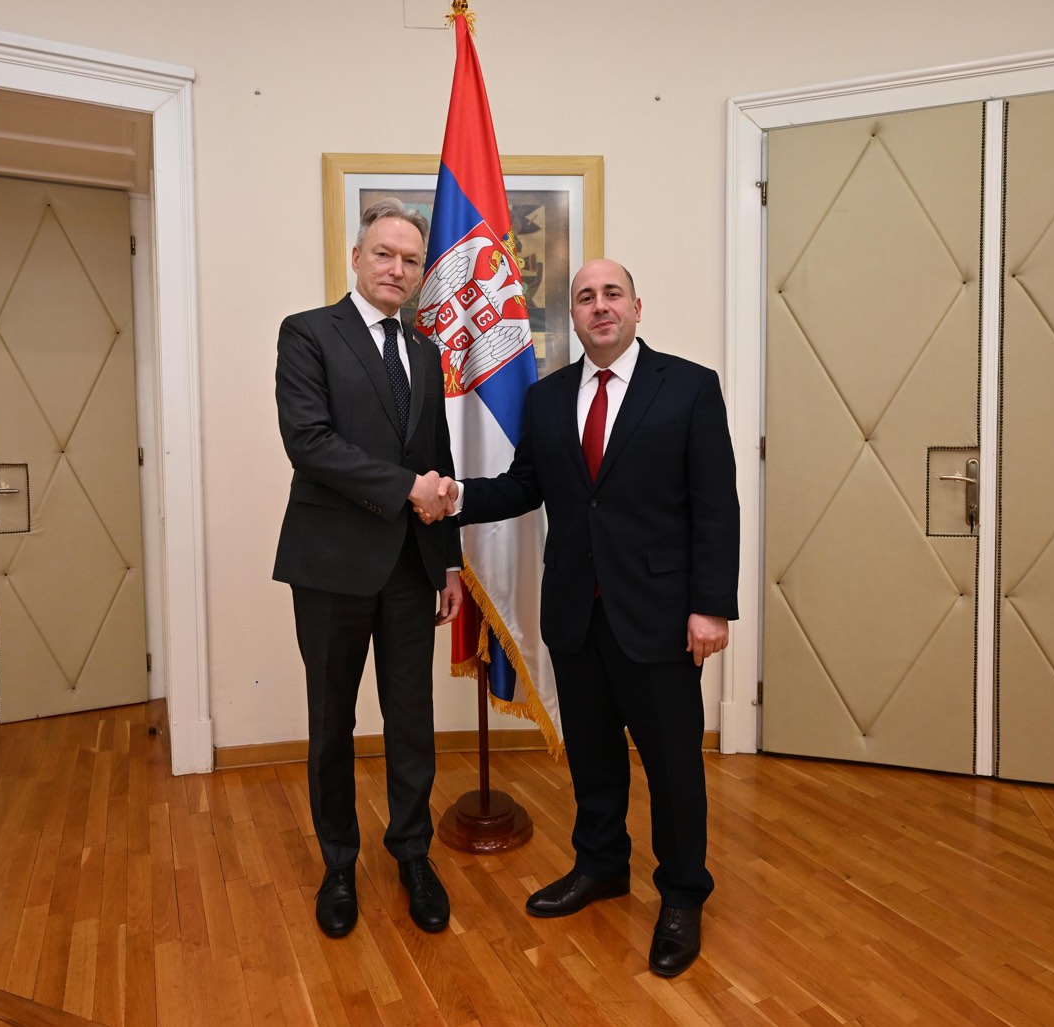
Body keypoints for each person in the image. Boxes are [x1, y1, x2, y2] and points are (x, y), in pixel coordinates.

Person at [444, 258, 739, 977]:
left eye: (612, 294)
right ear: (572, 316)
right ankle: (601, 865)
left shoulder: (690, 387)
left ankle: (682, 894)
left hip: (661, 616)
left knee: (673, 766)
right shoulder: (546, 399)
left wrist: (710, 606)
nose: (599, 306)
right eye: (585, 297)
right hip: (576, 612)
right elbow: (524, 485)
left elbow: (716, 504)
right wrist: (454, 497)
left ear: (637, 306)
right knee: (594, 757)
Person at [273, 198, 463, 939]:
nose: (397, 268)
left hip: (413, 567)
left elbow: (437, 457)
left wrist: (449, 563)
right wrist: (407, 488)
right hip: (331, 566)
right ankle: (339, 864)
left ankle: (412, 853)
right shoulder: (308, 333)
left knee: (412, 719)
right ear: (357, 258)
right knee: (333, 720)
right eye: (384, 253)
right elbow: (309, 441)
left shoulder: (426, 352)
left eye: (410, 259)